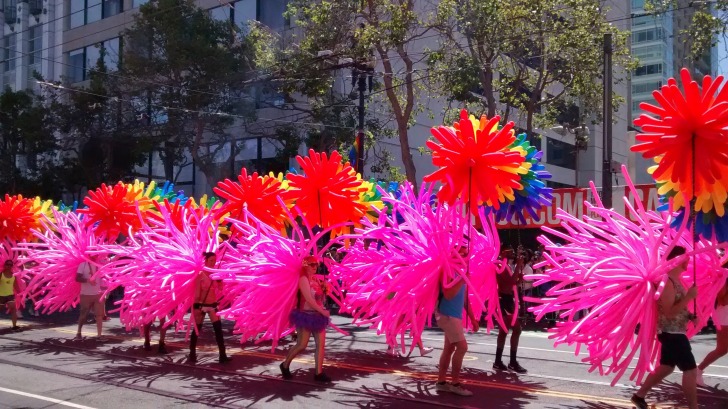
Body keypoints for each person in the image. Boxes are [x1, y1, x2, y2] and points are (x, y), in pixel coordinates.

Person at [632, 246, 698, 409]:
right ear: (677, 260)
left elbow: (677, 309)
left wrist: (690, 316)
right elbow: (668, 312)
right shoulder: (667, 282)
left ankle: (639, 396)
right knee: (690, 370)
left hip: (673, 332)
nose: (688, 261)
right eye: (685, 258)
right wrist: (689, 297)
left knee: (667, 367)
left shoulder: (675, 281)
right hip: (671, 333)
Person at [435, 245, 479, 397]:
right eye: (463, 253)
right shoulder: (448, 271)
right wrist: (462, 278)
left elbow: (464, 299)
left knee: (449, 348)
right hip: (447, 315)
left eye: (467, 254)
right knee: (462, 347)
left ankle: (441, 382)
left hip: (454, 316)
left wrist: (473, 319)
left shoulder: (461, 273)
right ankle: (455, 383)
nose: (465, 256)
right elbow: (448, 295)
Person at [280, 256, 332, 383]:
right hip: (305, 316)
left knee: (321, 345)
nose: (315, 267)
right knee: (302, 345)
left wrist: (326, 291)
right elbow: (309, 299)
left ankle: (318, 373)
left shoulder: (316, 280)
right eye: (312, 264)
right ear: (305, 265)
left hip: (318, 316)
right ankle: (285, 364)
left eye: (316, 264)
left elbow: (319, 300)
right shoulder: (303, 279)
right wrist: (323, 311)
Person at [189, 252, 231, 363]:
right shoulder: (200, 275)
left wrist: (220, 282)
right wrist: (197, 306)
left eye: (214, 261)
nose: (213, 263)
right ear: (206, 261)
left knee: (218, 330)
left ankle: (222, 355)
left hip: (212, 305)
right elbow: (197, 293)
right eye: (211, 261)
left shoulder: (215, 274)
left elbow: (221, 289)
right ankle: (192, 353)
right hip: (202, 305)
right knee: (197, 330)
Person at [493, 247, 527, 373]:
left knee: (504, 331)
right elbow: (510, 282)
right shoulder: (501, 266)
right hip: (504, 301)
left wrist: (519, 279)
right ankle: (512, 362)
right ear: (502, 253)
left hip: (506, 300)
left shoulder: (506, 266)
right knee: (516, 329)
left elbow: (511, 283)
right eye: (509, 251)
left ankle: (498, 361)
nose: (512, 253)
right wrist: (518, 266)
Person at [697, 275, 728, 386]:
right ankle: (698, 371)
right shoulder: (723, 277)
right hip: (725, 316)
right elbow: (722, 300)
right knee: (722, 349)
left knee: (722, 349)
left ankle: (698, 371)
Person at [75, 256, 105, 339]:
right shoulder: (83, 265)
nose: (93, 256)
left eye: (95, 253)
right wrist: (88, 280)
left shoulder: (99, 264)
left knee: (99, 315)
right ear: (88, 255)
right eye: (91, 253)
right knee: (83, 314)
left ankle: (99, 335)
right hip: (85, 294)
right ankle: (79, 332)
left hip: (98, 294)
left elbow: (112, 260)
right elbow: (77, 278)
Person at [1, 259, 23, 330]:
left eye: (10, 265)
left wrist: (21, 293)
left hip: (10, 295)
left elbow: (16, 286)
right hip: (1, 296)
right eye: (7, 264)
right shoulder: (1, 274)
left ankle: (14, 326)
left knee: (13, 309)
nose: (9, 266)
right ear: (5, 265)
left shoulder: (14, 276)